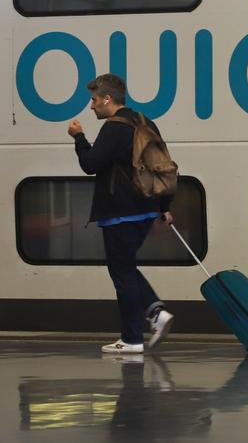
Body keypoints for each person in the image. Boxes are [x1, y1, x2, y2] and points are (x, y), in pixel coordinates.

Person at [67, 73, 175, 355]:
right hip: (146, 208)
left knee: (122, 271)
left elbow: (91, 164)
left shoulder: (114, 128)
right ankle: (153, 311)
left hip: (120, 211)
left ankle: (133, 337)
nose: (91, 107)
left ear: (107, 98)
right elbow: (161, 165)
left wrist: (79, 138)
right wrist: (164, 207)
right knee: (125, 266)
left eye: (93, 100)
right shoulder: (144, 122)